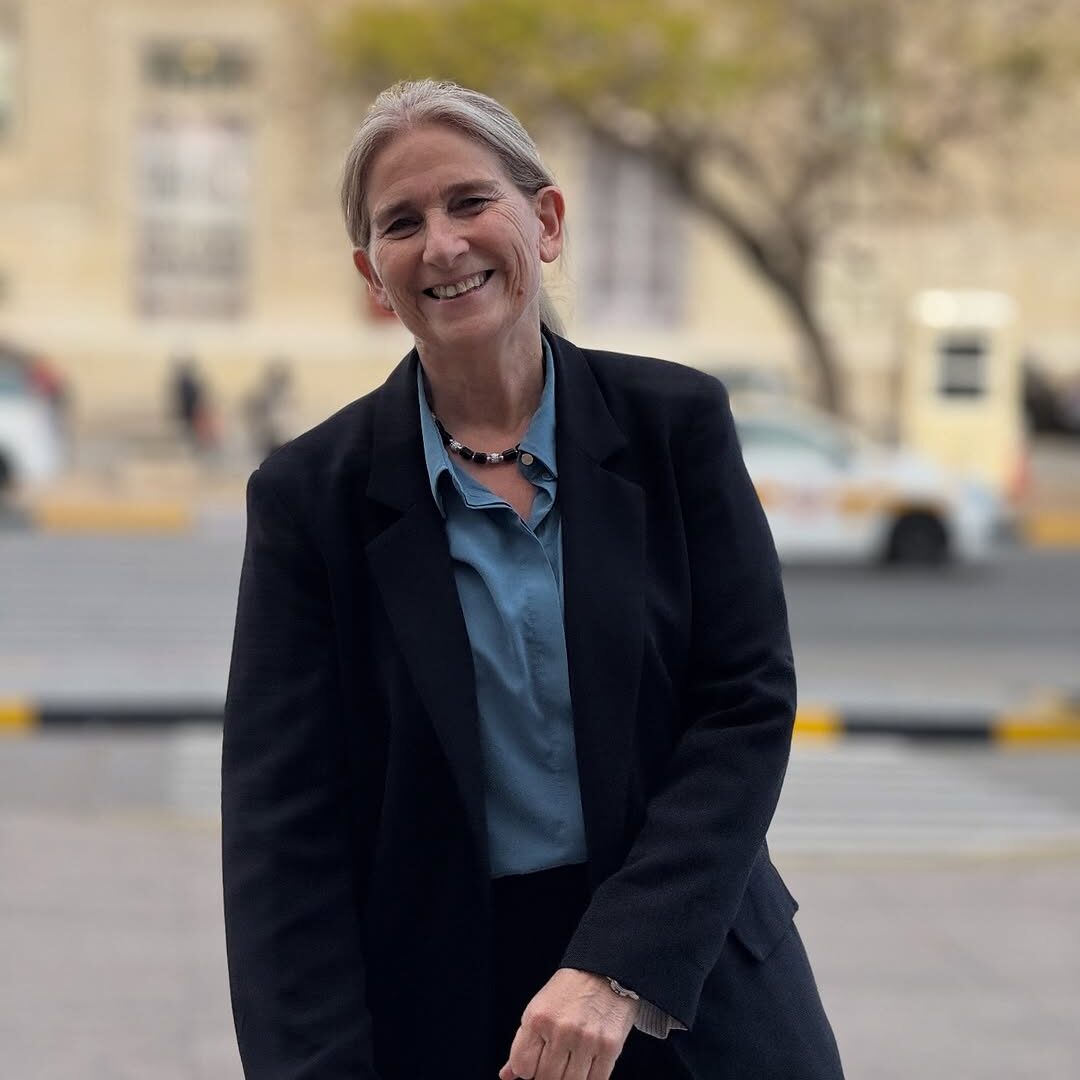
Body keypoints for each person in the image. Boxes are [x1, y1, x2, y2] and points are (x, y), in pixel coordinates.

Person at [222, 79, 845, 1080]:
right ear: (372, 275)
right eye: (401, 223)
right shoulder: (310, 498)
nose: (443, 244)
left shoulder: (675, 425)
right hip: (451, 1020)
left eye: (471, 201)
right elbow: (283, 834)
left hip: (694, 985)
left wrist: (617, 966)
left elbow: (744, 705)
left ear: (545, 221)